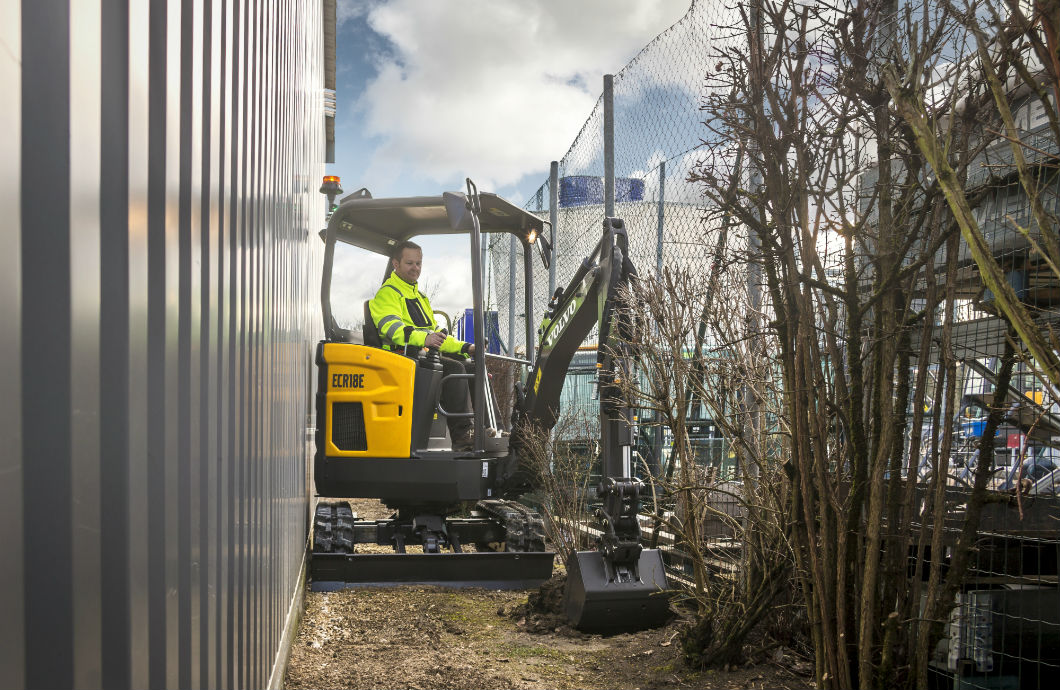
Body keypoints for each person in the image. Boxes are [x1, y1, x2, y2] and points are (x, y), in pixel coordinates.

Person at [369, 240, 477, 450]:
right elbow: (392, 329)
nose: (415, 268)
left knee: (474, 367)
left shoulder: (420, 297)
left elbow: (437, 334)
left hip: (422, 357)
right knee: (455, 368)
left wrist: (466, 347)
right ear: (396, 264)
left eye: (418, 263)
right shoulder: (388, 294)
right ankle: (462, 436)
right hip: (401, 360)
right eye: (410, 263)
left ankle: (488, 429)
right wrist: (425, 339)